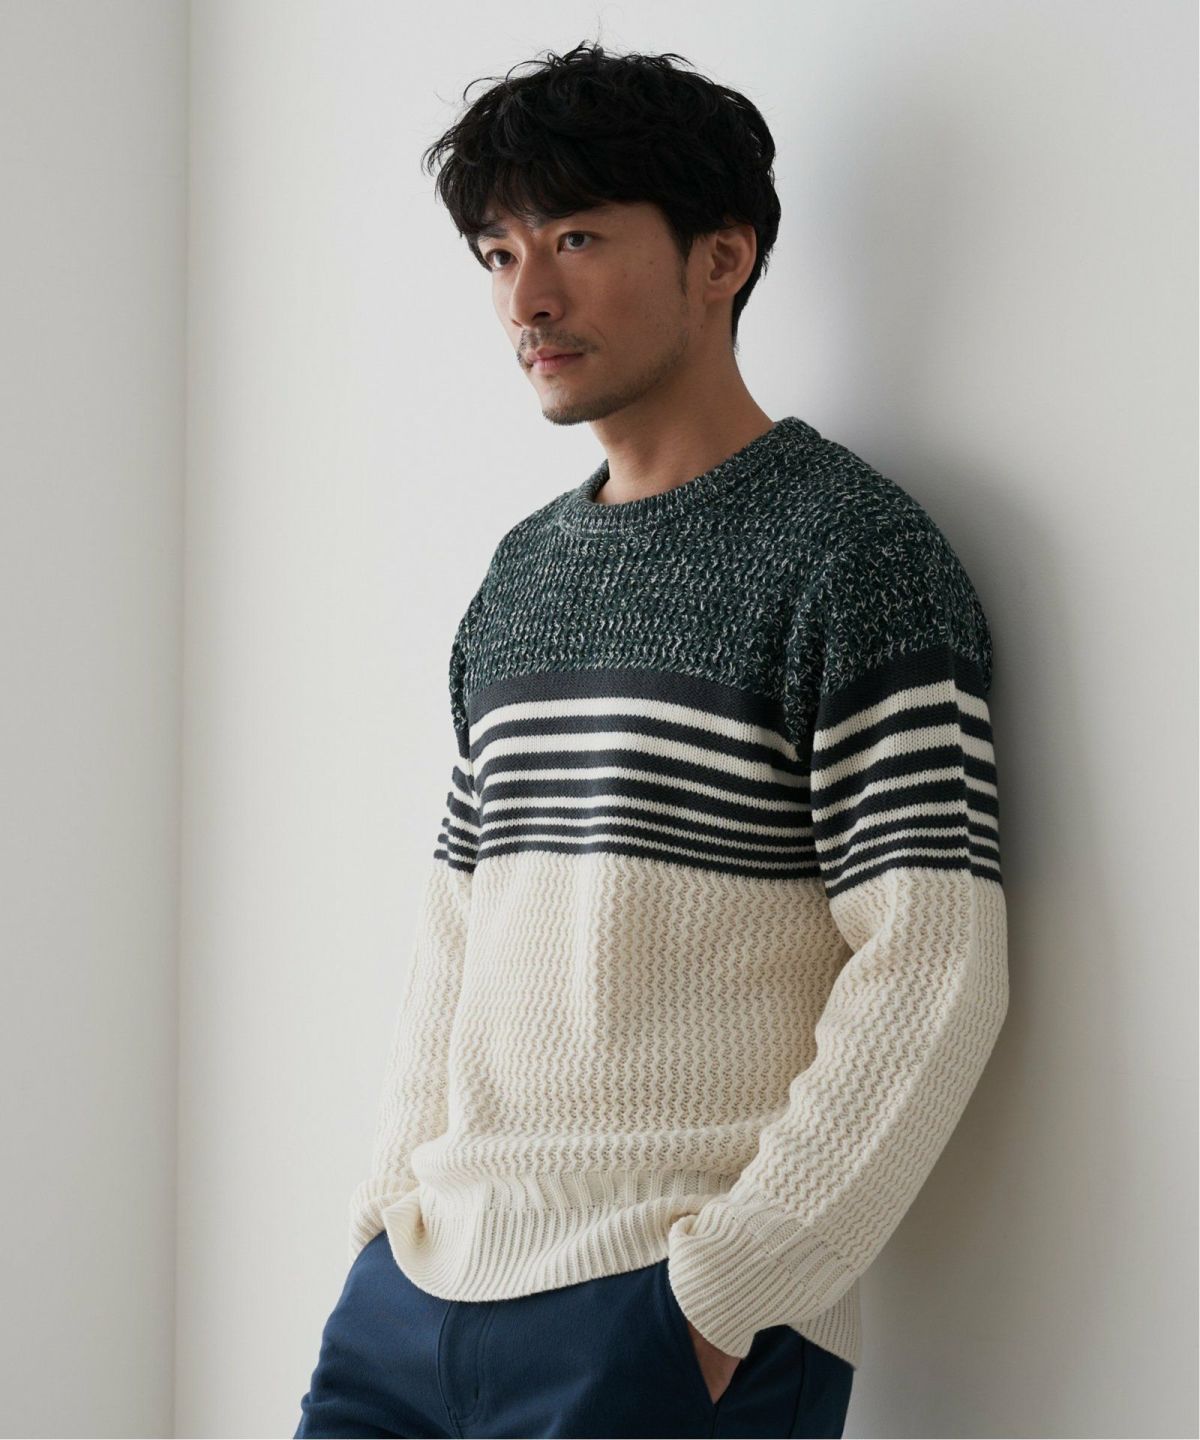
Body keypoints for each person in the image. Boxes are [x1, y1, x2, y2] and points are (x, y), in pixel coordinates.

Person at [295, 38, 1008, 1440]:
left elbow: (935, 961)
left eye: (574, 238)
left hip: (657, 1313)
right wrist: (388, 1214)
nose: (527, 298)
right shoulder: (521, 573)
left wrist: (730, 1290)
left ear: (721, 257)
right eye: (499, 253)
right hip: (415, 1303)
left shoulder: (851, 555)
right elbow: (457, 926)